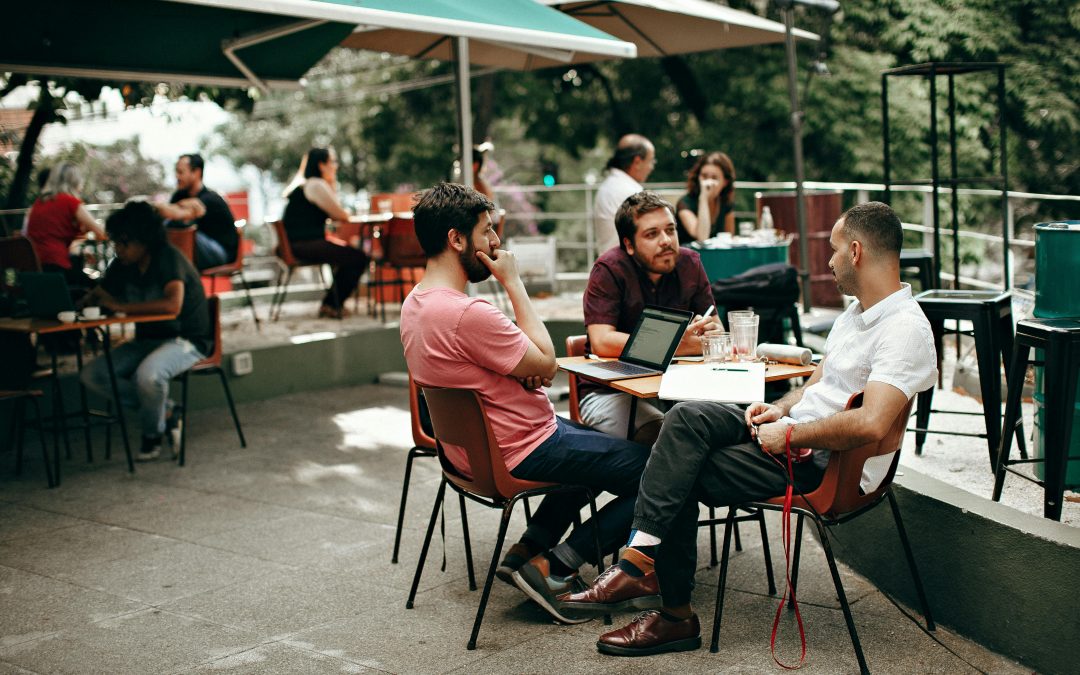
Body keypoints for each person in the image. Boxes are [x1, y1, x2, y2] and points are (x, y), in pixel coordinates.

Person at [559, 202, 938, 657]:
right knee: (686, 417)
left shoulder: (904, 329)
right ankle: (639, 557)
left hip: (825, 463)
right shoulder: (855, 315)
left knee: (681, 467)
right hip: (796, 436)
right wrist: (779, 409)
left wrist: (792, 435)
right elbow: (818, 383)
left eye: (834, 251)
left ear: (856, 251)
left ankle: (673, 615)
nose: (829, 261)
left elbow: (871, 421)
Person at [400, 182, 651, 625]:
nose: (497, 243)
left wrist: (527, 366)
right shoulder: (467, 314)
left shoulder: (415, 305)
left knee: (597, 445)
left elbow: (531, 365)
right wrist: (514, 282)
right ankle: (554, 567)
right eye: (486, 233)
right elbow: (546, 362)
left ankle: (527, 549)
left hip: (471, 455)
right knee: (658, 471)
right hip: (522, 447)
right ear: (456, 240)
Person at [581, 191, 721, 444]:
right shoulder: (609, 269)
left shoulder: (690, 263)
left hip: (680, 388)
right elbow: (602, 341)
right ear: (629, 245)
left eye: (671, 230)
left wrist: (707, 335)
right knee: (670, 443)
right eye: (651, 234)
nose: (666, 241)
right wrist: (676, 346)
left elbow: (715, 331)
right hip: (612, 392)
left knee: (731, 429)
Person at [80, 201, 211, 462]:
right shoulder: (123, 264)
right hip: (146, 341)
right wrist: (89, 300)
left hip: (185, 339)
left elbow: (173, 304)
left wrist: (121, 307)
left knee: (148, 377)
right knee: (93, 375)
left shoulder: (168, 258)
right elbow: (102, 293)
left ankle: (152, 435)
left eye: (124, 243)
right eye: (116, 242)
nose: (119, 249)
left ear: (144, 240)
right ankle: (167, 411)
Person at [282, 147, 369, 319]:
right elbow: (340, 215)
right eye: (333, 162)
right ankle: (330, 305)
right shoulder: (316, 184)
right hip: (304, 244)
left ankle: (333, 302)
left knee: (347, 254)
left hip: (297, 243)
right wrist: (333, 184)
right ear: (322, 165)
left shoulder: (305, 184)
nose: (335, 166)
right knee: (359, 258)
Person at [24, 162, 108, 288]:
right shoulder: (70, 202)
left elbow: (53, 232)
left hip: (34, 268)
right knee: (100, 289)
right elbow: (101, 233)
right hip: (57, 268)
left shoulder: (39, 203)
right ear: (75, 182)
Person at [156, 153, 238, 271]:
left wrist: (161, 209)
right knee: (163, 228)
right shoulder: (179, 196)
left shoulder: (211, 199)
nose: (177, 176)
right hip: (196, 250)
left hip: (221, 253)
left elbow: (178, 215)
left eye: (181, 172)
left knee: (177, 226)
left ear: (196, 173)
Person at [593, 134, 655, 253]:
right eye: (651, 161)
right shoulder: (630, 191)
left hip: (609, 261)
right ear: (637, 162)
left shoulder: (609, 185)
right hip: (624, 266)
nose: (651, 167)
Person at [675, 151, 736, 243]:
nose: (708, 182)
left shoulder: (726, 204)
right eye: (704, 176)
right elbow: (702, 237)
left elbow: (729, 239)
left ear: (725, 182)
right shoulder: (685, 203)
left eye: (714, 178)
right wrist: (703, 198)